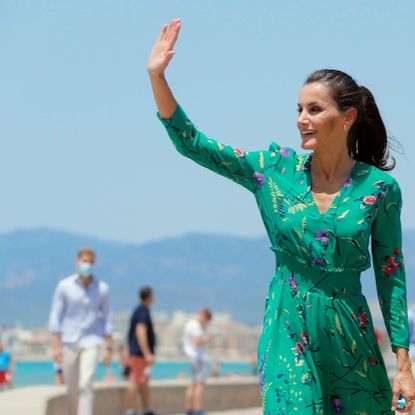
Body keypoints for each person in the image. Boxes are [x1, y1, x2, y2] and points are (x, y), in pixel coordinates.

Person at [148, 18, 415, 414]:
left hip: (349, 332)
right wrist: (158, 77)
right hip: (287, 327)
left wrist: (404, 363)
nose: (301, 119)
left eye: (314, 109)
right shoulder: (274, 170)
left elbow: (390, 275)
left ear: (347, 118)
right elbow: (194, 145)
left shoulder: (378, 189)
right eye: (299, 109)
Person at [48, 247, 113, 415]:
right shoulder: (64, 286)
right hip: (69, 341)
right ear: (77, 262)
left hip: (92, 339)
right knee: (72, 388)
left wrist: (108, 347)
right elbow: (56, 317)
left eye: (90, 262)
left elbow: (108, 319)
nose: (87, 265)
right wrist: (56, 347)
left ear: (95, 263)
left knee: (86, 382)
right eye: (84, 261)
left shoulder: (102, 289)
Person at [125, 287, 156, 415]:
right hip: (139, 354)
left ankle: (146, 409)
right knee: (136, 380)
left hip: (138, 353)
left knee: (143, 381)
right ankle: (130, 410)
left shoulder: (141, 310)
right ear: (149, 296)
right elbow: (140, 332)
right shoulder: (142, 311)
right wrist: (147, 353)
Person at [183, 309, 213, 415]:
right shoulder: (196, 326)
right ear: (205, 317)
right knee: (199, 384)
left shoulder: (189, 324)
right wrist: (207, 338)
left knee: (192, 383)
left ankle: (189, 409)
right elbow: (197, 341)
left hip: (192, 358)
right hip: (197, 358)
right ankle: (197, 409)